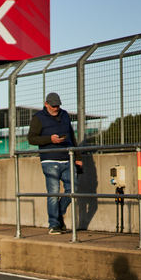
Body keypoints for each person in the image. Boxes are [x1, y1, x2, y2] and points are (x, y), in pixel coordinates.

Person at [28, 92, 83, 234]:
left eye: (58, 105)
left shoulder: (64, 115)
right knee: (53, 193)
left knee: (73, 190)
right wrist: (49, 139)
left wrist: (78, 156)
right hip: (49, 160)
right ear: (46, 104)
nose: (56, 108)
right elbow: (32, 139)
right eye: (53, 106)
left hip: (67, 158)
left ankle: (58, 214)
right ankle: (54, 225)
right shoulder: (38, 118)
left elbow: (71, 135)